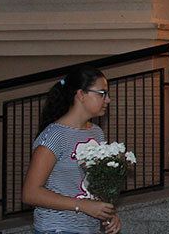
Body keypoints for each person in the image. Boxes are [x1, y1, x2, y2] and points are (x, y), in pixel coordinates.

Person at [22, 65, 122, 234]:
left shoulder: (96, 133)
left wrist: (108, 213)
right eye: (102, 93)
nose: (108, 100)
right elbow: (31, 193)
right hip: (58, 228)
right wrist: (81, 205)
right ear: (81, 94)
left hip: (87, 228)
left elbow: (94, 183)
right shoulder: (55, 135)